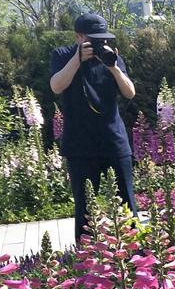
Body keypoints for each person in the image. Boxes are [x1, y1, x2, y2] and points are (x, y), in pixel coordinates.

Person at [49, 13, 137, 241]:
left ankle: (138, 258)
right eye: (94, 40)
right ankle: (85, 264)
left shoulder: (111, 58)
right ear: (78, 37)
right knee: (85, 209)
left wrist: (114, 67)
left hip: (113, 140)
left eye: (104, 39)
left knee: (128, 203)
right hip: (80, 145)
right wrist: (77, 59)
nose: (101, 44)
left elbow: (130, 93)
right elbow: (57, 86)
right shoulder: (62, 55)